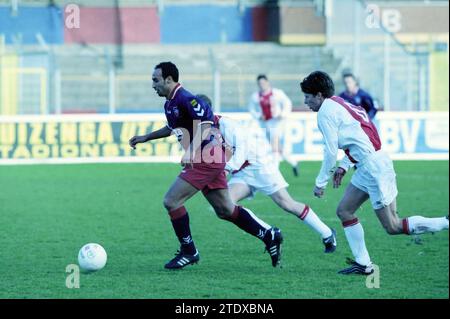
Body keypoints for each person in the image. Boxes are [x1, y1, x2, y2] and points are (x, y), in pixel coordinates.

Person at [129, 62, 283, 270]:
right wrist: (146, 137)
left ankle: (189, 251)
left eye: (155, 80)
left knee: (171, 201)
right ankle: (269, 235)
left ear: (168, 79)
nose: (153, 85)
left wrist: (191, 151)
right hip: (208, 159)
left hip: (205, 158)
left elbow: (205, 123)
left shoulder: (186, 98)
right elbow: (172, 127)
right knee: (225, 209)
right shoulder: (170, 102)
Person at [299, 71, 449, 275]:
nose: (306, 102)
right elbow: (361, 138)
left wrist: (320, 182)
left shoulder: (325, 112)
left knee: (393, 226)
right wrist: (345, 165)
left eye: (308, 97)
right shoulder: (339, 103)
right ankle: (364, 264)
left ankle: (445, 222)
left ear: (318, 95)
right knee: (344, 210)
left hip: (373, 169)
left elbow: (330, 151)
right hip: (371, 164)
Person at [197, 94, 336, 253]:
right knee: (226, 205)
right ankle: (269, 233)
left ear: (207, 111)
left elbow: (241, 150)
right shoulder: (201, 128)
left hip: (260, 166)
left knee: (287, 203)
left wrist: (225, 168)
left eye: (196, 111)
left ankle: (327, 233)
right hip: (243, 172)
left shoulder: (226, 124)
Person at [248, 74, 299, 176]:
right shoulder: (255, 96)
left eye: (263, 82)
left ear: (267, 82)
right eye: (259, 83)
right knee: (277, 148)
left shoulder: (277, 93)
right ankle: (294, 162)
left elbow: (287, 103)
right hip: (266, 124)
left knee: (274, 145)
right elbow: (251, 109)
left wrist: (283, 114)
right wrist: (258, 116)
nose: (262, 85)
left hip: (277, 122)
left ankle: (275, 172)